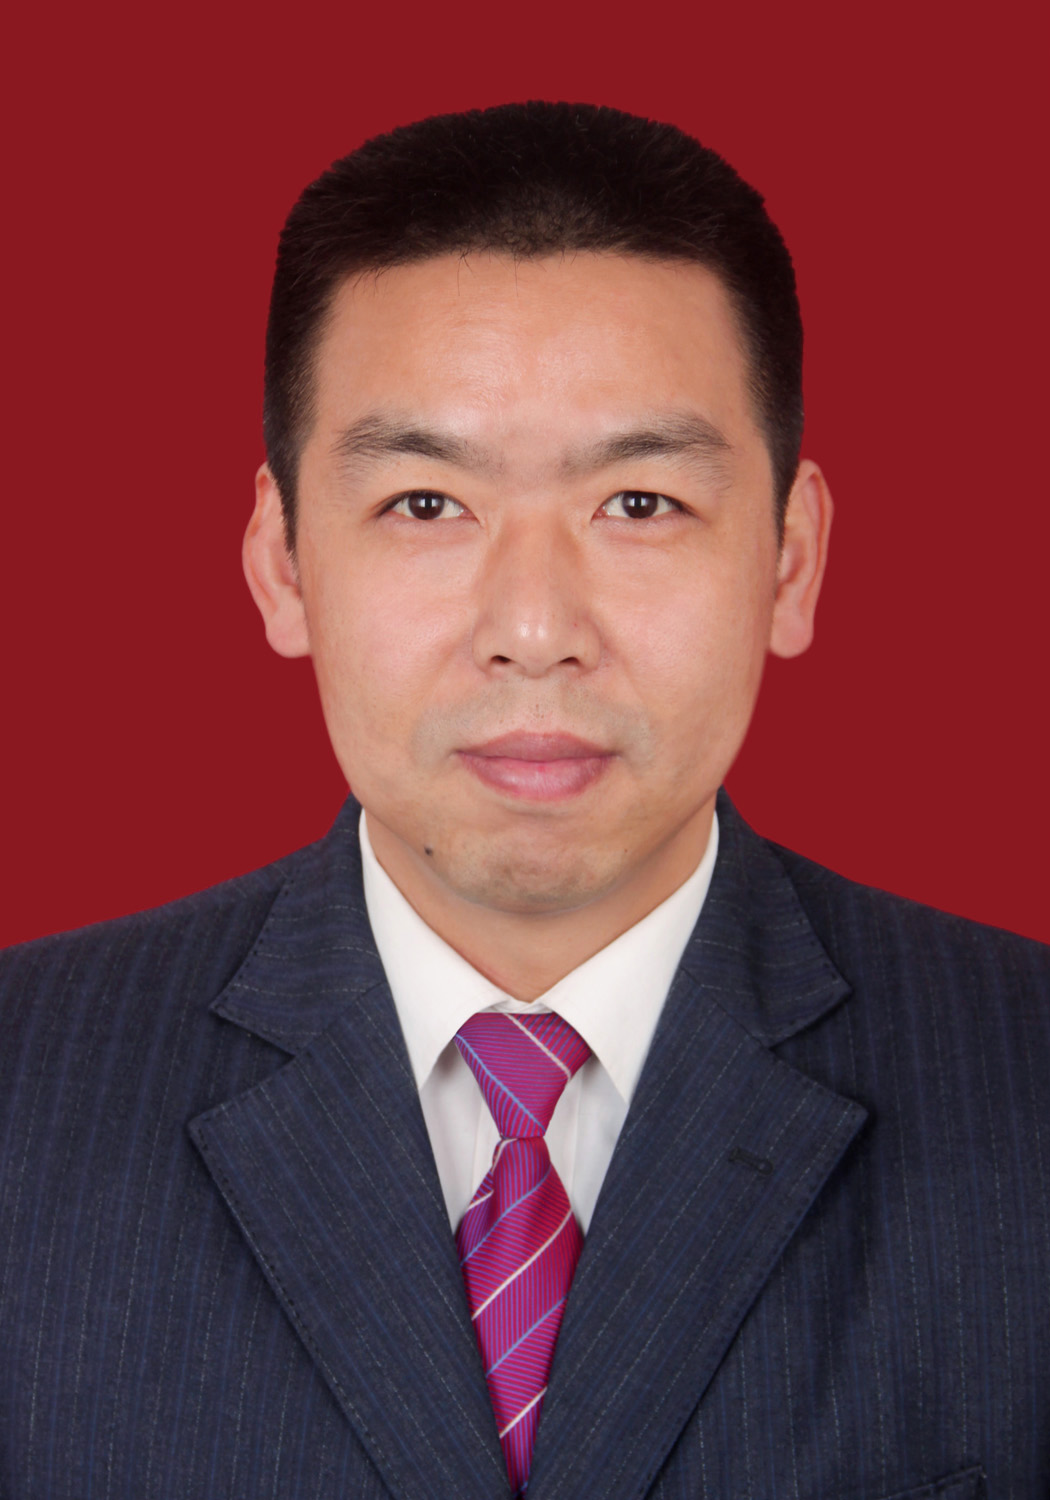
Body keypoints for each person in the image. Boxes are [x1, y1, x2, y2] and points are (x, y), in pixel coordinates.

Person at [1, 101, 1047, 1500]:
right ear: (282, 562)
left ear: (789, 561)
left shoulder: (1022, 1081)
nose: (536, 631)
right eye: (426, 504)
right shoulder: (24, 1084)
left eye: (639, 504)